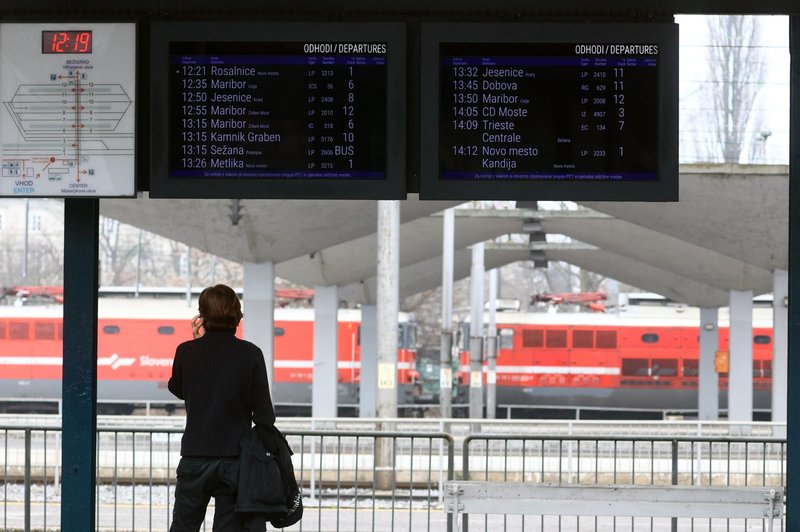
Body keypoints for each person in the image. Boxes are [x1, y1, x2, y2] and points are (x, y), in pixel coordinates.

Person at [168, 284, 276, 531]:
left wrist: (197, 344)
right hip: (235, 461)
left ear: (202, 317)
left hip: (194, 457)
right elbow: (265, 416)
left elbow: (180, 390)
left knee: (184, 526)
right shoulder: (251, 354)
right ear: (236, 317)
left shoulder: (186, 351)